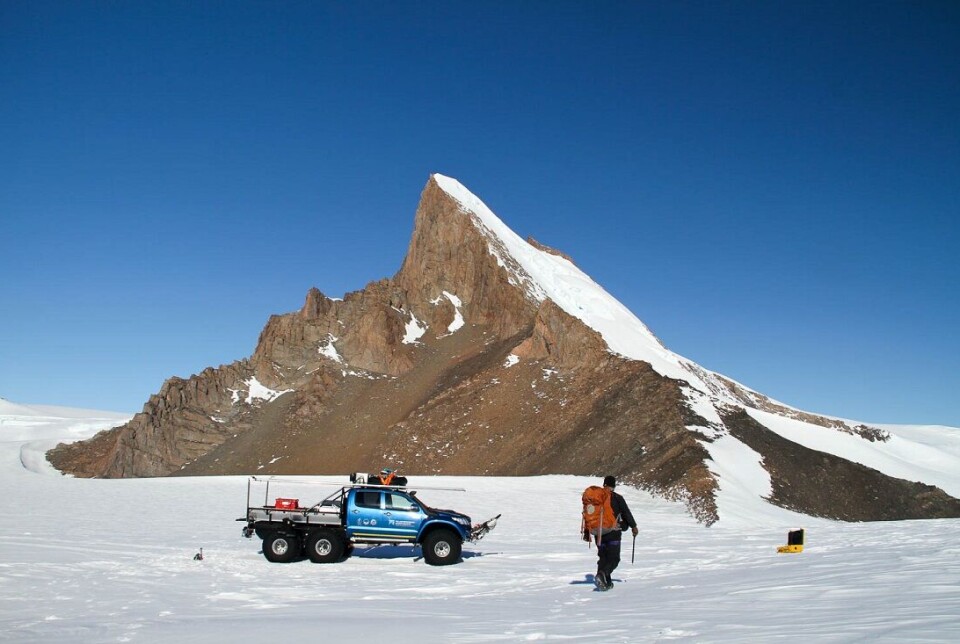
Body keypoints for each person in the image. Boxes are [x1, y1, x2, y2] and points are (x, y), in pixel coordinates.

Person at [595, 475, 638, 590]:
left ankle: (606, 583)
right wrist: (633, 527)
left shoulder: (595, 498)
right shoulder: (617, 498)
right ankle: (602, 574)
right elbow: (626, 513)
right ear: (613, 486)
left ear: (604, 484)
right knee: (614, 558)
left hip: (598, 534)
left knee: (603, 557)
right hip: (613, 534)